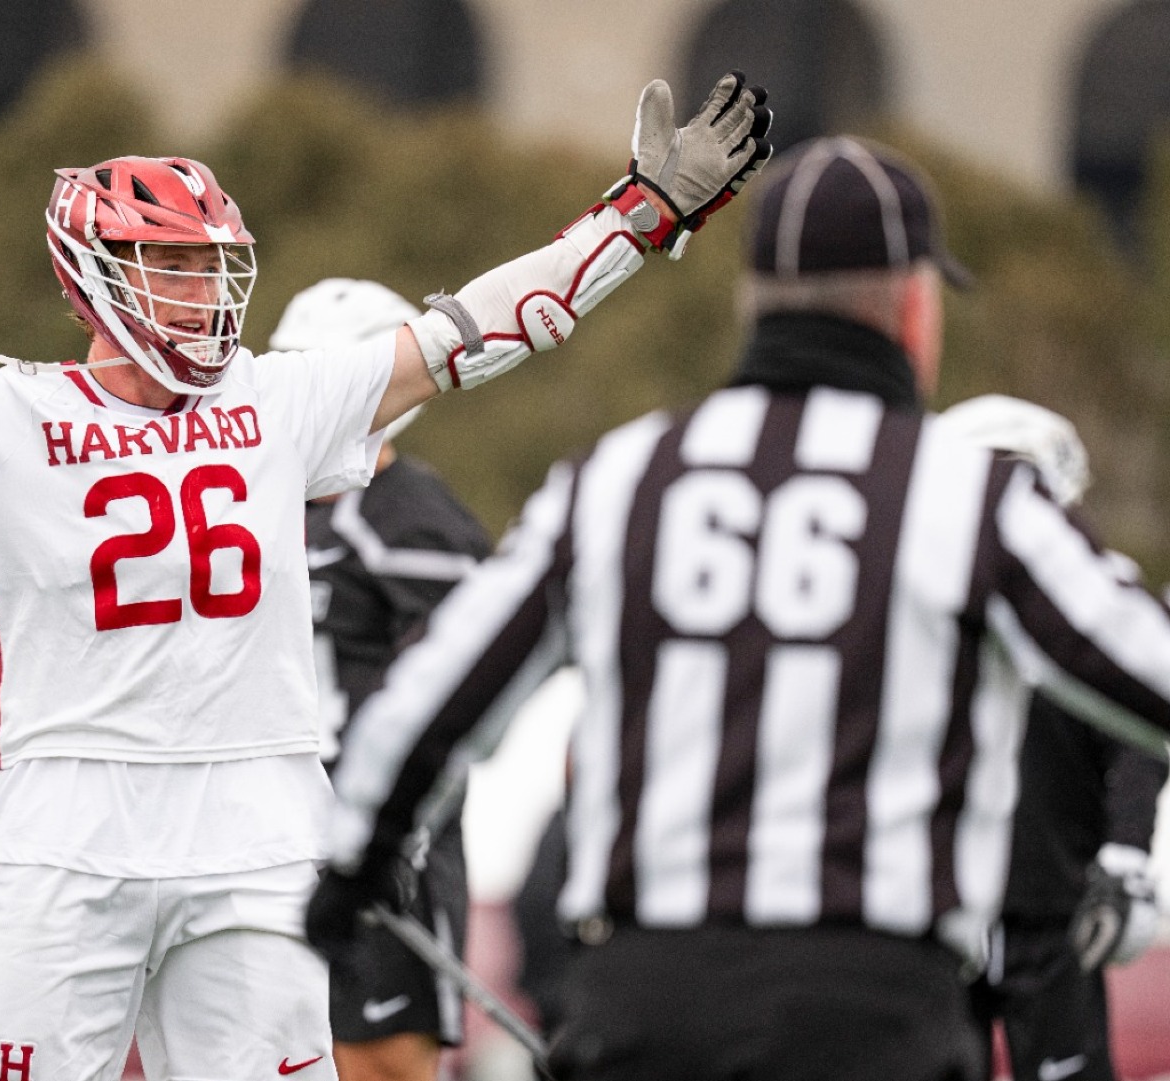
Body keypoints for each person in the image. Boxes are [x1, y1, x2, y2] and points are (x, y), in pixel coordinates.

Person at [0, 75, 771, 1080]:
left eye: (214, 266)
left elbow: (482, 331)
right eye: (176, 267)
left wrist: (637, 217)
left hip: (257, 824)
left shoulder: (279, 393)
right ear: (90, 273)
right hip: (72, 828)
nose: (209, 292)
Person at [306, 136, 1170, 1081]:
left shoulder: (621, 475)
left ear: (748, 302)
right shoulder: (967, 494)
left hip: (648, 999)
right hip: (873, 1008)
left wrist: (348, 876)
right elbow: (1146, 664)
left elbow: (424, 703)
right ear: (917, 308)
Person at [270, 279, 492, 1081]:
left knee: (380, 1063)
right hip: (276, 835)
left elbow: (469, 688)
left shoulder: (409, 515)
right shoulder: (276, 507)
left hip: (383, 844)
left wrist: (394, 821)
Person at [941, 394, 1166, 1081]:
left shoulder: (1091, 604)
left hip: (1051, 902)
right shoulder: (909, 606)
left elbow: (1135, 735)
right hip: (935, 905)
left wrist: (1125, 852)